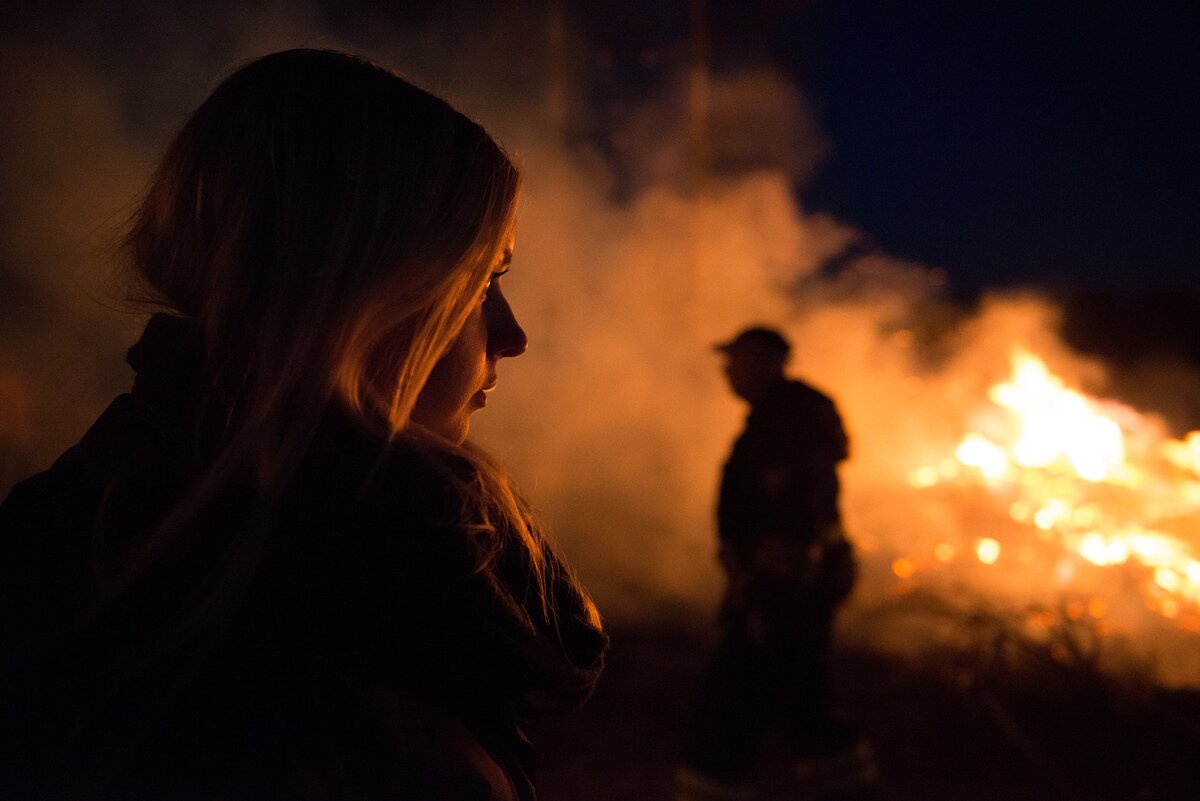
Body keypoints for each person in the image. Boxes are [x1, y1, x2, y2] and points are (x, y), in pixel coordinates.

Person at [0, 49, 606, 801]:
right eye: (484, 282)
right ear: (357, 292)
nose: (512, 335)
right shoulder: (323, 619)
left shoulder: (93, 531)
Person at [677, 326, 873, 801]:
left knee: (730, 704)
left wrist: (765, 590)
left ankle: (716, 787)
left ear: (765, 361)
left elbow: (794, 508)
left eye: (736, 360)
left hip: (781, 589)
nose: (727, 371)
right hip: (785, 586)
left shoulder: (787, 421)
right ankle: (848, 786)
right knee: (801, 703)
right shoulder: (781, 417)